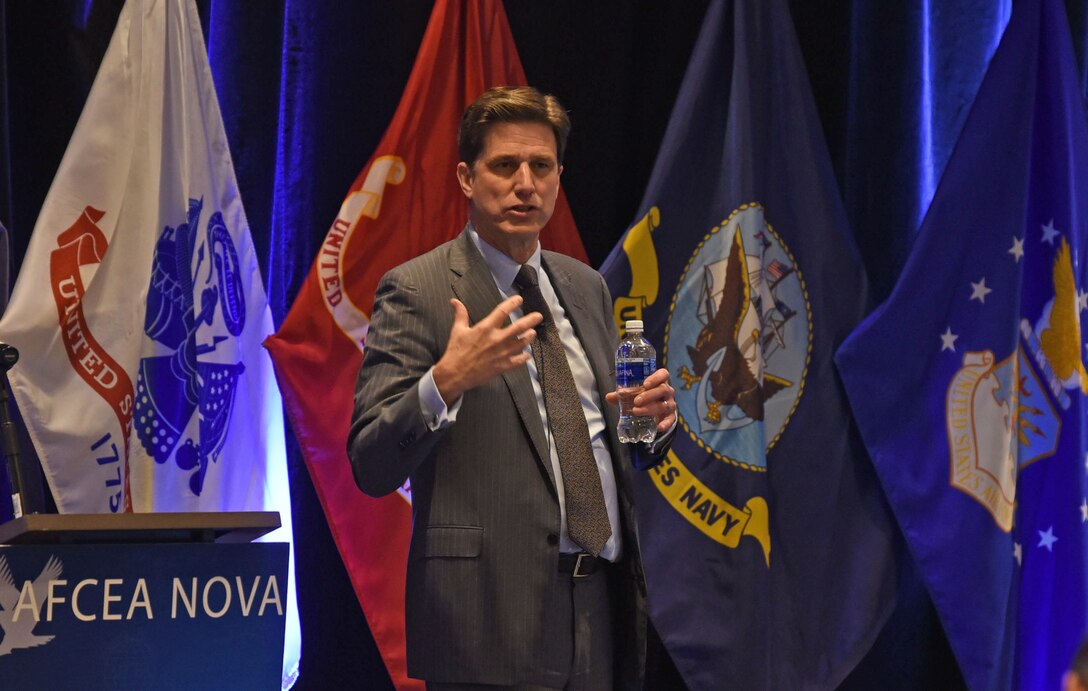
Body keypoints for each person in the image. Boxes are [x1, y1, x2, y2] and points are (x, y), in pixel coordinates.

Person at [347, 85, 677, 690]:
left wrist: (655, 423)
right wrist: (447, 381)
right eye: (505, 166)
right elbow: (369, 463)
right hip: (485, 621)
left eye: (541, 166)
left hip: (598, 607)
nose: (525, 183)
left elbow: (615, 438)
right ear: (467, 179)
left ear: (557, 177)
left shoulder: (585, 287)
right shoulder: (417, 290)